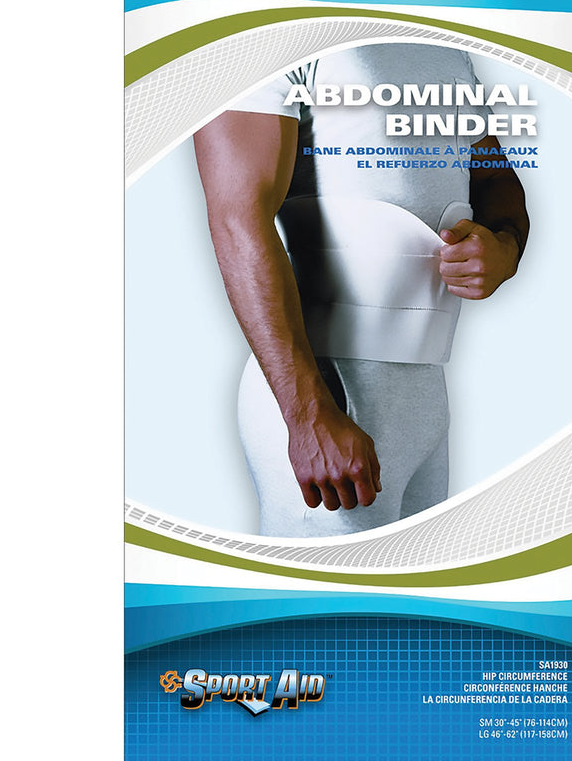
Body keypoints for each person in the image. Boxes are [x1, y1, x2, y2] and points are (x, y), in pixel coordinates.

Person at [194, 43, 529, 537]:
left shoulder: (442, 49)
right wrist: (307, 418)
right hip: (327, 402)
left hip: (424, 401)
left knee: (411, 590)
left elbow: (495, 178)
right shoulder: (263, 39)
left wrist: (505, 245)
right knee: (318, 590)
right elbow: (236, 220)